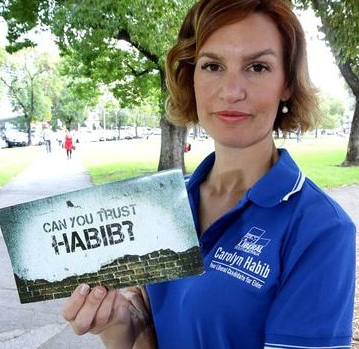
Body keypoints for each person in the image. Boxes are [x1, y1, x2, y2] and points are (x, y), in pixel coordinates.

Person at [62, 0, 356, 348]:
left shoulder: (320, 229)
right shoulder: (163, 206)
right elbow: (148, 338)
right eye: (213, 65)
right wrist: (123, 328)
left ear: (287, 83)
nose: (231, 91)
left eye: (258, 67)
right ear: (192, 74)